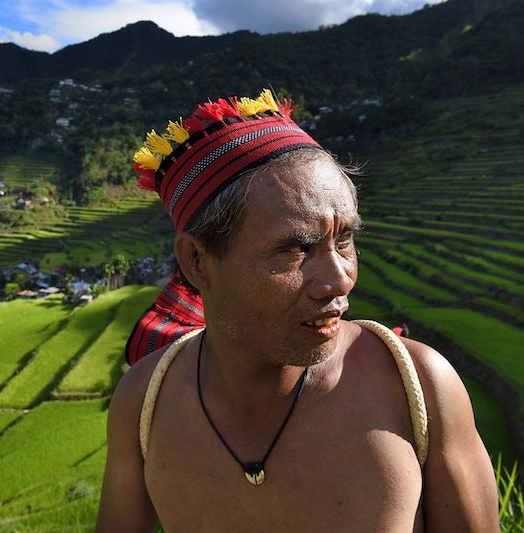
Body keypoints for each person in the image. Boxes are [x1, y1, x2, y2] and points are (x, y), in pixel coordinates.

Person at [96, 89, 499, 531]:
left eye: (344, 239)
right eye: (295, 249)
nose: (340, 279)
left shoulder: (418, 388)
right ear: (196, 261)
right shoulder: (143, 404)